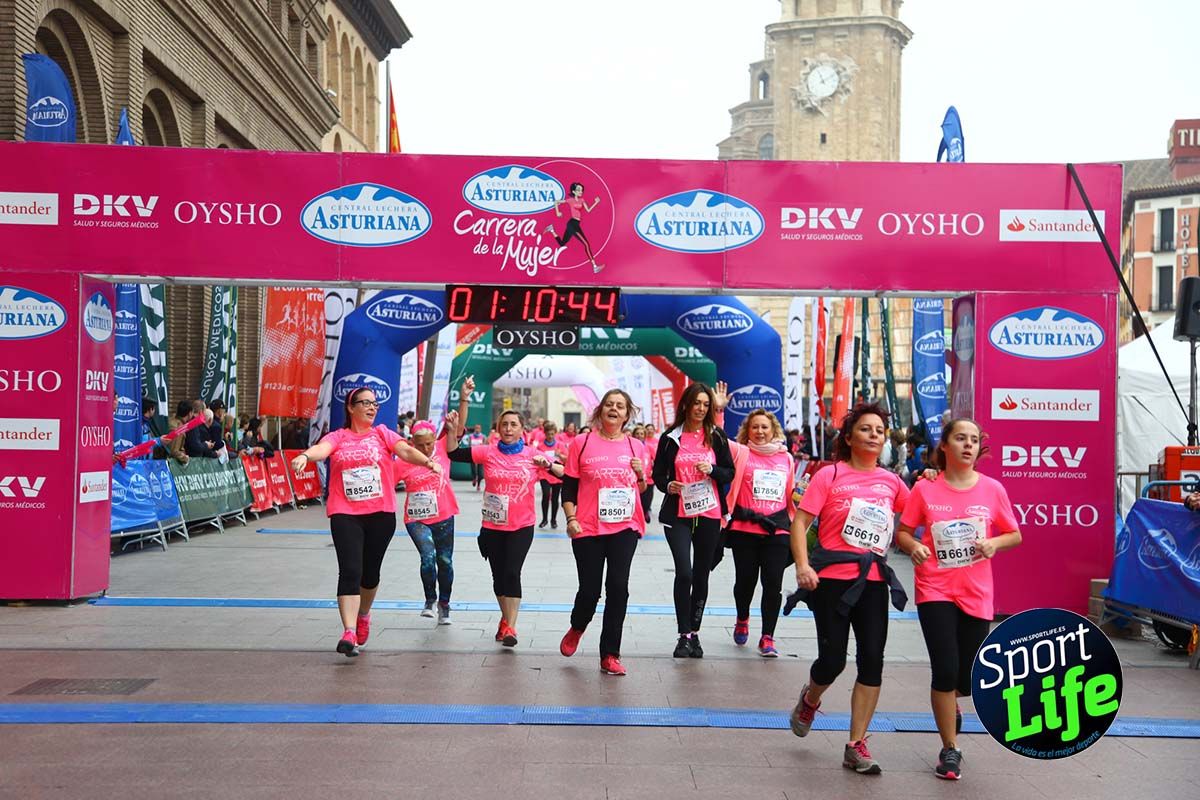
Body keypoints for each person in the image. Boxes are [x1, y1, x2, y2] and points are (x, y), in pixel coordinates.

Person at [786, 401, 910, 775]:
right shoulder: (830, 475)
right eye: (866, 429)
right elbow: (800, 521)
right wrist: (803, 566)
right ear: (850, 436)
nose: (874, 435)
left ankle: (856, 744)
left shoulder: (892, 482)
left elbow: (916, 517)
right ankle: (810, 697)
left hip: (873, 582)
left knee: (872, 659)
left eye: (879, 430)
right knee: (833, 661)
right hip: (831, 582)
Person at [895, 419, 1022, 781]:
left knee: (968, 677)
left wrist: (993, 543)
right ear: (945, 447)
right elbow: (903, 532)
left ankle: (952, 705)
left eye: (974, 440)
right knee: (945, 669)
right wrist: (915, 545)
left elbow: (1014, 534)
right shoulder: (926, 489)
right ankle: (950, 749)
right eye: (960, 439)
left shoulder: (993, 489)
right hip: (934, 587)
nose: (968, 445)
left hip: (976, 591)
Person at [289, 387, 441, 657]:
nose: (372, 407)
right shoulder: (338, 436)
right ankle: (348, 631)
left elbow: (405, 451)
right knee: (349, 570)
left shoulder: (382, 433)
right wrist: (304, 456)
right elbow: (322, 450)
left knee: (370, 575)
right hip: (345, 513)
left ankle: (363, 614)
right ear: (351, 407)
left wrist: (427, 463)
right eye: (365, 403)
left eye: (375, 403)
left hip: (380, 514)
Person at [447, 376, 563, 647]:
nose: (508, 428)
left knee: (512, 572)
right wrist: (456, 422)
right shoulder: (487, 452)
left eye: (514, 424)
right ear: (497, 428)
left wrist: (547, 465)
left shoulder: (532, 455)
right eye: (504, 424)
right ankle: (505, 619)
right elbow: (453, 453)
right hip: (492, 526)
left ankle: (511, 627)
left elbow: (565, 474)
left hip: (521, 526)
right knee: (499, 577)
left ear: (523, 429)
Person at [558, 389, 648, 676]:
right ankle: (578, 625)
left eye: (620, 406)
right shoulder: (581, 443)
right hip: (587, 526)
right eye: (609, 404)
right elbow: (569, 487)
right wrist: (571, 518)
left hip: (624, 526)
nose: (614, 409)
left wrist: (641, 475)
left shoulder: (637, 447)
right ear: (600, 410)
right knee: (590, 590)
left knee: (618, 588)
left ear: (627, 414)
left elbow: (641, 489)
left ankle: (610, 654)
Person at [652, 381, 735, 659]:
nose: (701, 409)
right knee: (684, 572)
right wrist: (668, 485)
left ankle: (694, 634)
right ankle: (683, 634)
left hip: (709, 513)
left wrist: (712, 469)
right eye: (696, 403)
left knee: (701, 575)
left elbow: (729, 473)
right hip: (679, 515)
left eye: (705, 404)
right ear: (686, 405)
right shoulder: (670, 437)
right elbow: (658, 475)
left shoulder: (717, 436)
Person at [724, 409, 796, 658]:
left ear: (774, 430)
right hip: (746, 528)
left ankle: (767, 637)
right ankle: (742, 618)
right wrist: (719, 409)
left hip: (777, 529)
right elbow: (716, 438)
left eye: (765, 427)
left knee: (773, 583)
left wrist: (799, 499)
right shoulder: (741, 452)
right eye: (755, 427)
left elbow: (791, 494)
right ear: (748, 431)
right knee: (746, 581)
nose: (760, 431)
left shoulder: (786, 458)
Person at [399, 414, 462, 625]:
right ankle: (429, 600)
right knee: (428, 556)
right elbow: (384, 481)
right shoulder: (404, 460)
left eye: (428, 443)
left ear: (435, 439)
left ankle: (444, 604)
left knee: (445, 561)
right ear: (411, 443)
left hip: (443, 516)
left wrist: (463, 399)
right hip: (417, 519)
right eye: (420, 445)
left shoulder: (443, 449)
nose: (425, 449)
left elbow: (457, 428)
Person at [544, 182, 604, 273]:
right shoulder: (570, 200)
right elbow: (556, 202)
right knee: (586, 244)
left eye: (581, 190)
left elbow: (588, 210)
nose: (581, 191)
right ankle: (594, 266)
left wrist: (595, 202)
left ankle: (551, 229)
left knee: (562, 244)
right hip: (572, 224)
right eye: (578, 190)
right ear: (573, 191)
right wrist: (557, 212)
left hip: (575, 224)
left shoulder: (582, 200)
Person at [537, 421, 566, 528]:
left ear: (555, 433)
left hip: (557, 475)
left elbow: (566, 459)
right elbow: (537, 459)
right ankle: (544, 519)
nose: (550, 436)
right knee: (545, 495)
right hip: (544, 474)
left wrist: (560, 455)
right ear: (545, 434)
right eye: (548, 434)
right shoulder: (540, 446)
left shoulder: (560, 445)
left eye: (552, 434)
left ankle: (553, 520)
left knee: (555, 498)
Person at [631, 424, 655, 520]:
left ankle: (645, 512)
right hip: (634, 480)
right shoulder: (630, 446)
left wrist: (654, 470)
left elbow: (657, 460)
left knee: (646, 501)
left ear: (645, 435)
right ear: (634, 435)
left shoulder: (649, 447)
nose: (639, 435)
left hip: (648, 479)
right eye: (637, 433)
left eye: (641, 433)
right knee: (636, 502)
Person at [462, 424, 487, 489]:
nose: (477, 429)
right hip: (473, 454)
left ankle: (478, 485)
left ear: (480, 429)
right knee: (473, 469)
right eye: (476, 428)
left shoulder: (483, 436)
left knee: (480, 472)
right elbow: (469, 445)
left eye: (478, 428)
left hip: (481, 455)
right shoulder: (470, 436)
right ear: (474, 429)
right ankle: (474, 478)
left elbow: (485, 446)